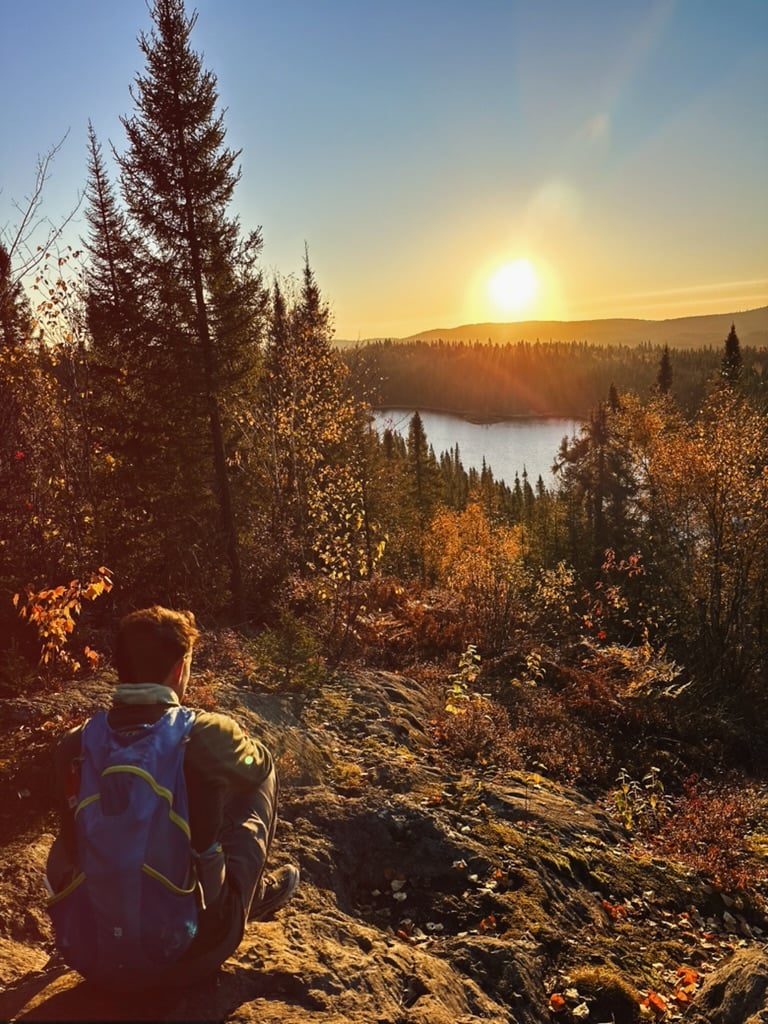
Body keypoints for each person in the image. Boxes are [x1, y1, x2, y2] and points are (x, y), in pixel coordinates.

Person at [46, 605, 299, 986]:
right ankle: (243, 898)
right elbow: (259, 765)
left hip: (93, 957)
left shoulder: (75, 743)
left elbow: (68, 846)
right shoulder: (204, 731)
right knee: (261, 778)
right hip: (189, 956)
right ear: (181, 667)